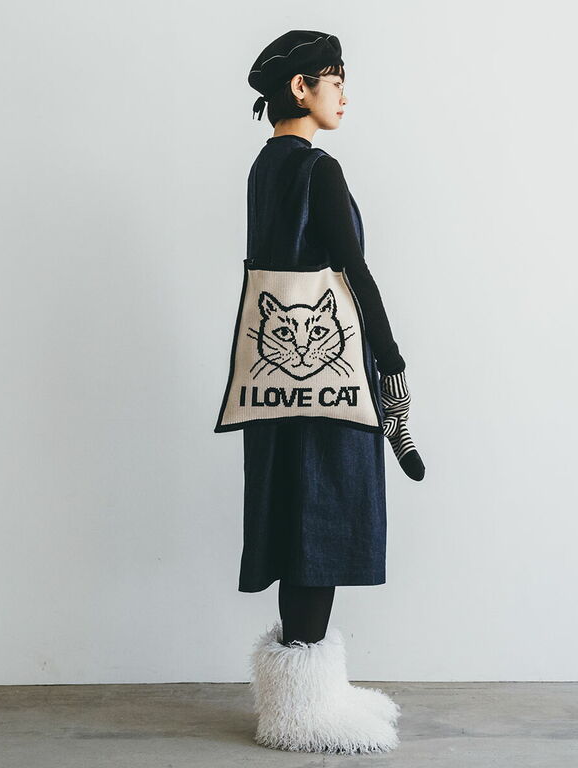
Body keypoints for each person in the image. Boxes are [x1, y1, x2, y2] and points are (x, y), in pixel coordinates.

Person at [239, 30, 425, 754]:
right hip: (330, 375)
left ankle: (305, 698)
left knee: (295, 517)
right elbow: (354, 272)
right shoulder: (319, 169)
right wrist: (392, 357)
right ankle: (306, 713)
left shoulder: (264, 168)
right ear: (301, 87)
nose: (345, 94)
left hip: (275, 377)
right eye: (336, 80)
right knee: (324, 519)